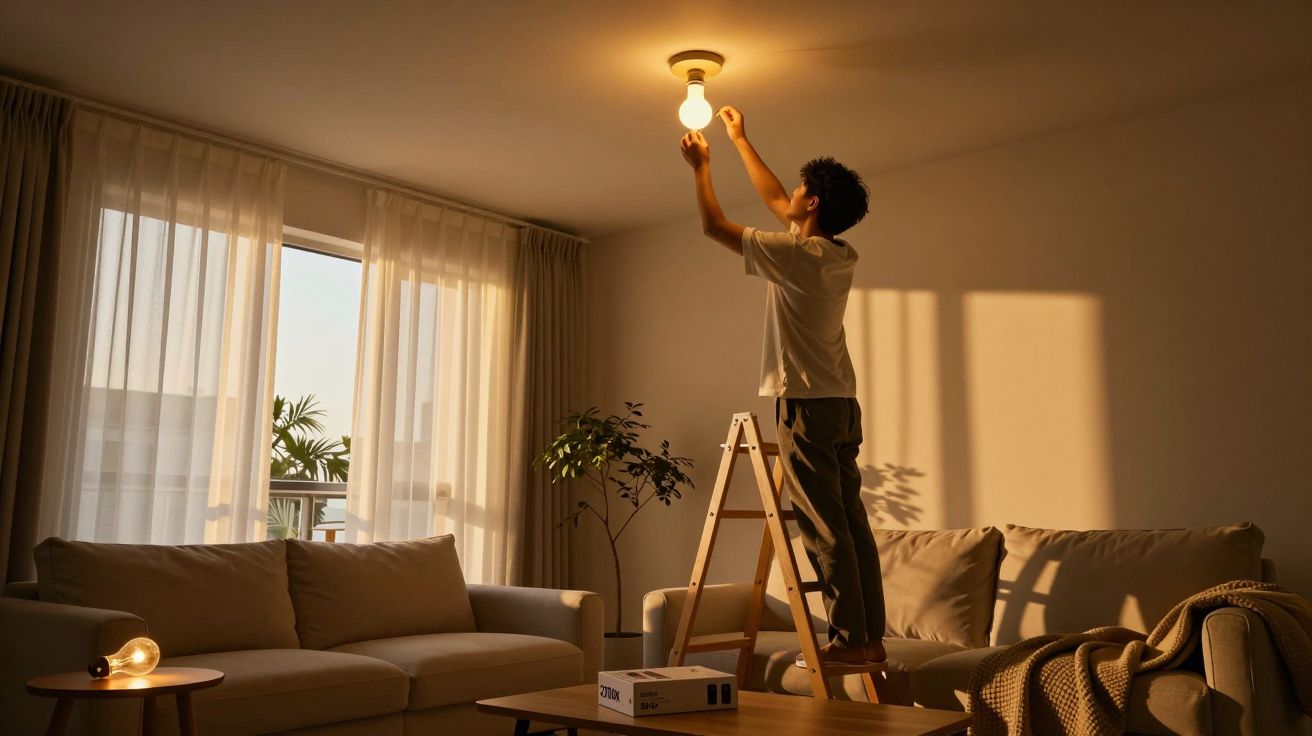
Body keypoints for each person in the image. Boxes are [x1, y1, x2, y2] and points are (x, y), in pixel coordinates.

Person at [679, 106, 885, 666]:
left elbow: (714, 227)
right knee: (851, 523)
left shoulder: (797, 256)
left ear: (812, 204)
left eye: (800, 191)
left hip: (810, 407)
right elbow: (776, 201)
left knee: (824, 528)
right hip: (842, 403)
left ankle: (848, 641)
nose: (789, 197)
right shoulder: (836, 253)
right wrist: (741, 139)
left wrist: (702, 166)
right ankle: (871, 638)